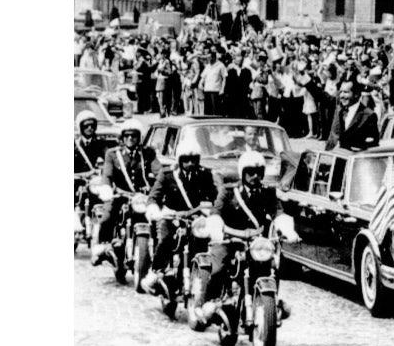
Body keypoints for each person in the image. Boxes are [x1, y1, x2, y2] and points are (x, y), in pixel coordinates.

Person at [193, 151, 299, 325]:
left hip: (256, 243)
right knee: (218, 266)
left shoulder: (268, 193)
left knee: (271, 267)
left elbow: (278, 212)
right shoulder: (229, 191)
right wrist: (216, 227)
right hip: (230, 239)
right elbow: (216, 211)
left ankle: (271, 304)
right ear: (243, 173)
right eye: (250, 172)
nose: (255, 176)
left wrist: (287, 229)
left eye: (259, 172)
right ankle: (209, 302)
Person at [141, 138, 220, 293]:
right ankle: (156, 271)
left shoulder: (205, 175)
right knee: (165, 239)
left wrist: (213, 213)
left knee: (202, 246)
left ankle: (201, 278)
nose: (190, 163)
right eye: (186, 160)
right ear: (180, 159)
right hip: (172, 217)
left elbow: (214, 197)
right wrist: (154, 209)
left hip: (196, 219)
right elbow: (153, 196)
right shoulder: (168, 174)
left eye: (194, 160)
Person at [91, 118, 160, 267]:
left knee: (157, 218)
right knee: (108, 214)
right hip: (120, 195)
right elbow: (107, 175)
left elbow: (158, 171)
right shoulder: (113, 154)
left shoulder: (147, 153)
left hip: (141, 197)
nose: (130, 138)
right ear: (122, 137)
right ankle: (102, 246)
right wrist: (106, 188)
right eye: (127, 135)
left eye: (134, 135)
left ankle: (157, 251)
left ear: (139, 137)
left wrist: (162, 182)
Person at [324, 80, 379, 151]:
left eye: (346, 92)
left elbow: (373, 143)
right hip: (335, 157)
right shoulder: (339, 109)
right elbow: (333, 137)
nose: (342, 96)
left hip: (354, 159)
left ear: (357, 94)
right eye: (341, 92)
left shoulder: (369, 115)